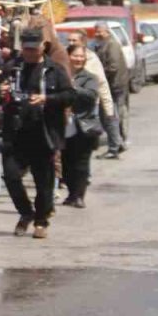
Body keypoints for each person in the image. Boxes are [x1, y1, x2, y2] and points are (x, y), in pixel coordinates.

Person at [0, 29, 75, 240]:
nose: (30, 53)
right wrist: (0, 92)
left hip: (43, 133)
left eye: (34, 49)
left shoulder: (54, 70)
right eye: (26, 49)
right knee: (11, 175)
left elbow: (70, 96)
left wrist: (47, 99)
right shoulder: (12, 68)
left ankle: (41, 220)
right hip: (16, 133)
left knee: (44, 183)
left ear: (43, 47)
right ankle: (26, 212)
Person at [63, 45, 103, 208]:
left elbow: (91, 95)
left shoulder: (89, 78)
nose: (78, 59)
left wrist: (73, 88)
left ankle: (79, 196)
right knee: (66, 161)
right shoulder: (61, 75)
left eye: (81, 56)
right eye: (75, 56)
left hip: (84, 125)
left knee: (81, 162)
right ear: (68, 57)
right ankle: (71, 193)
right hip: (64, 125)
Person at [91, 21, 129, 159]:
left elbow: (113, 67)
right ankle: (118, 143)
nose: (97, 34)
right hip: (110, 85)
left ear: (107, 31)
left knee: (109, 116)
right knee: (109, 116)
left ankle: (114, 148)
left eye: (100, 31)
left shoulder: (112, 45)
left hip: (114, 86)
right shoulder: (101, 44)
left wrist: (96, 77)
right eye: (96, 31)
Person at [65, 31, 115, 129]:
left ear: (83, 42)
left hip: (87, 111)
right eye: (69, 40)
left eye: (74, 40)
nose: (71, 43)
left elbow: (102, 84)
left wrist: (109, 110)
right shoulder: (63, 58)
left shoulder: (92, 59)